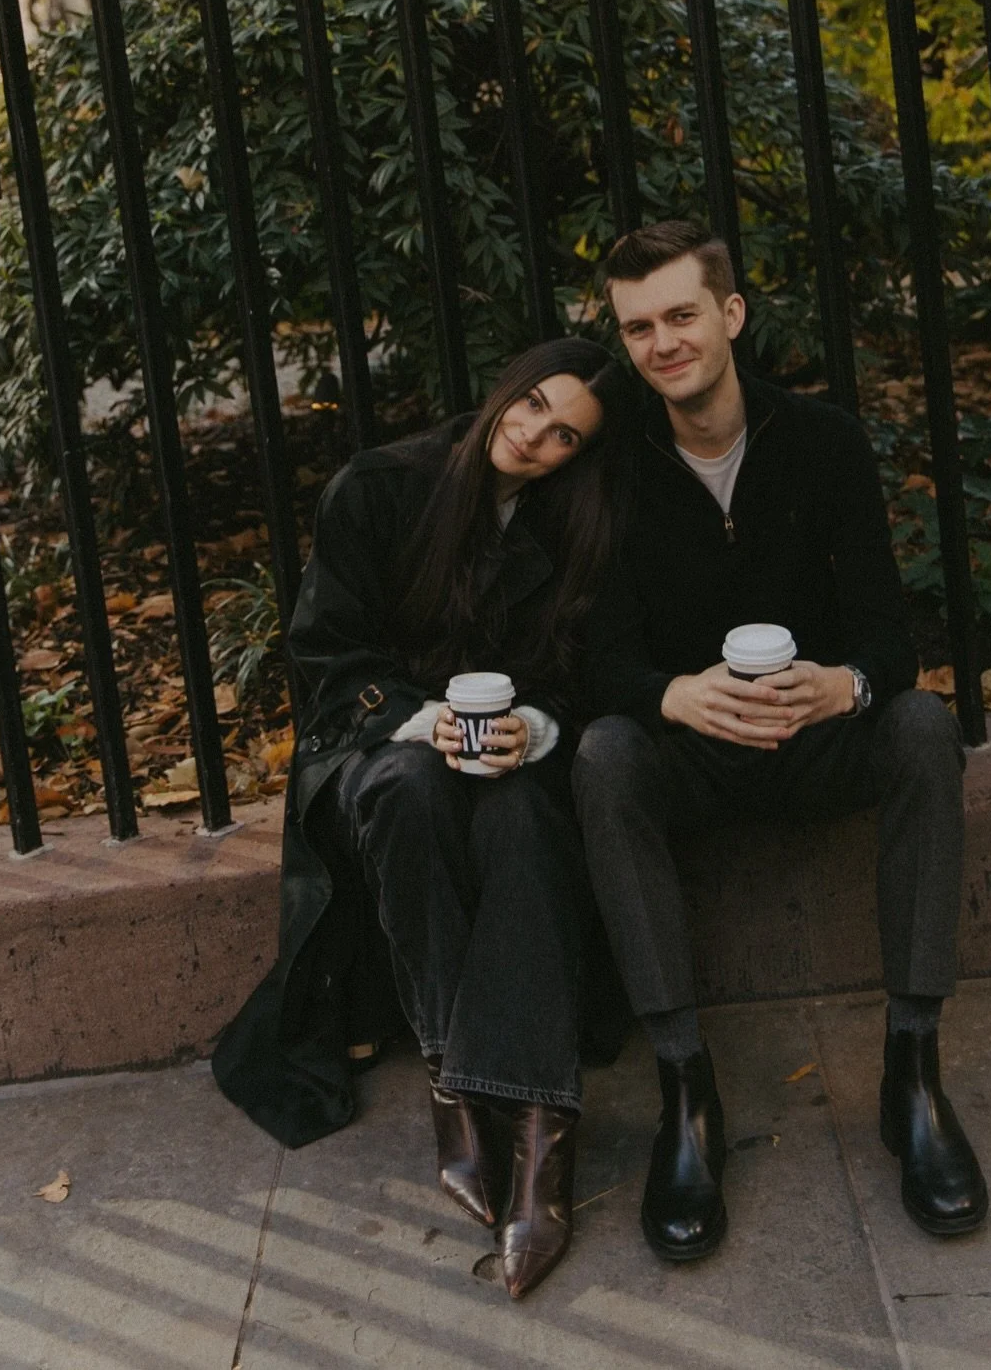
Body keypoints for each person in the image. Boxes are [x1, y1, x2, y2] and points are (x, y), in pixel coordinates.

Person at [574, 220, 988, 1260]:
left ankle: (913, 1071)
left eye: (680, 314)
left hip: (813, 741)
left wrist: (837, 685)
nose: (663, 342)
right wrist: (676, 696)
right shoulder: (614, 466)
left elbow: (891, 636)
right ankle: (686, 1090)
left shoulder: (822, 442)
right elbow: (596, 661)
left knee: (924, 728)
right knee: (602, 757)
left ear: (730, 314)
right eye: (638, 326)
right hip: (695, 754)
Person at [214, 338, 630, 1300]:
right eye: (530, 405)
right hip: (383, 748)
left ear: (581, 453)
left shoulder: (578, 522)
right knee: (409, 787)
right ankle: (455, 1082)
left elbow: (582, 668)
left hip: (513, 753)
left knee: (521, 821)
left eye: (564, 433)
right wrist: (415, 719)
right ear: (505, 386)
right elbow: (324, 654)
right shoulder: (380, 487)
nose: (533, 436)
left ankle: (537, 1146)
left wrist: (527, 724)